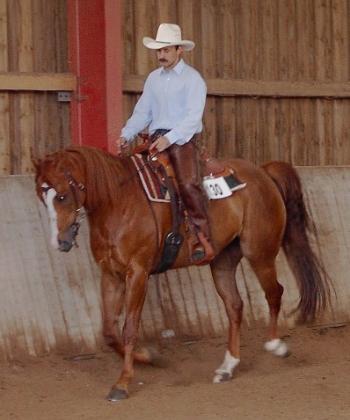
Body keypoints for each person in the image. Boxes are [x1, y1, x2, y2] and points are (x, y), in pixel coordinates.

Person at [117, 23, 214, 265]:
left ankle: (201, 236)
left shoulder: (193, 80)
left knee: (188, 183)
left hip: (182, 140)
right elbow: (143, 113)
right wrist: (126, 135)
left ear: (179, 50)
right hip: (154, 139)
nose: (161, 55)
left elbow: (192, 119)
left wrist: (168, 139)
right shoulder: (153, 79)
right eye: (159, 51)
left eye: (166, 50)